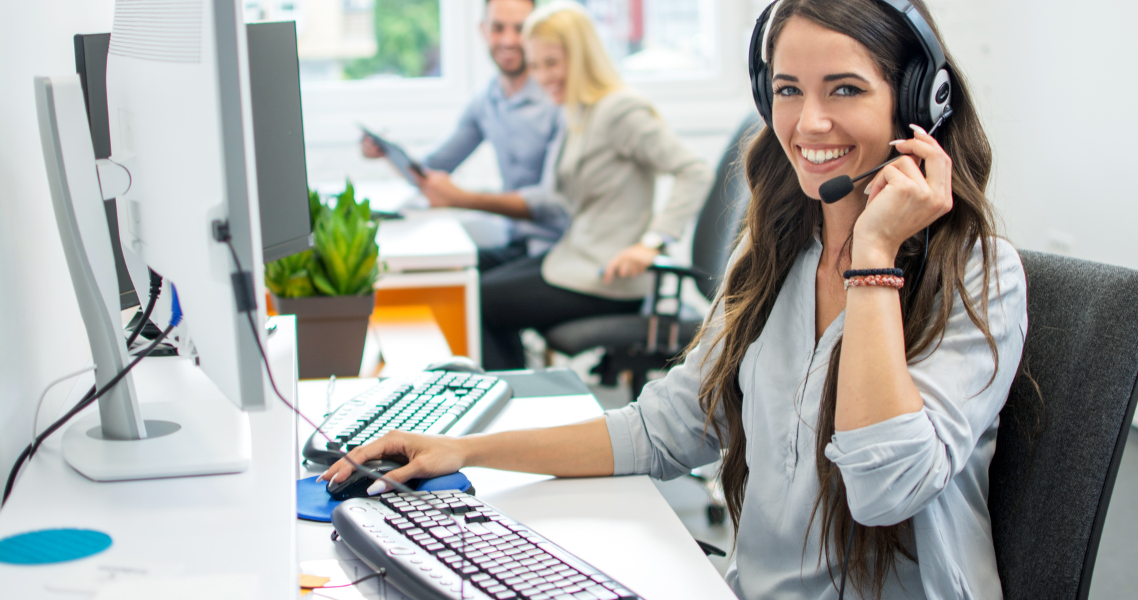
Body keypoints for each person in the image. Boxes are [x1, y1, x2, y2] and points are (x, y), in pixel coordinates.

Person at [322, 0, 1027, 598]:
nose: (809, 124)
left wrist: (873, 262)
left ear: (917, 103)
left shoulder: (979, 274)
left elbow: (885, 494)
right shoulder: (779, 254)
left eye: (844, 89)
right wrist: (467, 451)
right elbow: (666, 428)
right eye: (787, 90)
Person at [415, 2, 713, 370]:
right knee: (472, 290)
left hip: (608, 278)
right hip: (576, 259)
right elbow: (555, 194)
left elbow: (693, 170)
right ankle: (514, 397)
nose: (541, 76)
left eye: (551, 64)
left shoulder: (620, 110)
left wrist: (651, 242)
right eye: (535, 64)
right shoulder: (577, 111)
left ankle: (511, 408)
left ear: (582, 57)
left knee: (479, 303)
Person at [362, 0, 564, 271]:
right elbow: (433, 169)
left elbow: (553, 201)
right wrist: (386, 152)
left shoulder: (557, 99)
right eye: (497, 28)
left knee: (472, 296)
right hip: (515, 243)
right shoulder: (487, 101)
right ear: (483, 30)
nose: (508, 40)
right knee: (435, 275)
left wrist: (461, 198)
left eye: (520, 29)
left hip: (554, 249)